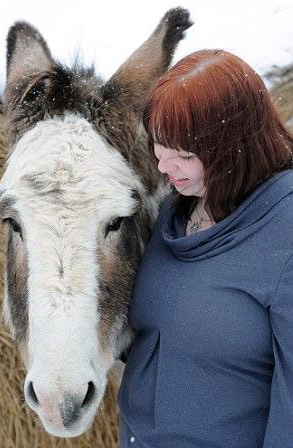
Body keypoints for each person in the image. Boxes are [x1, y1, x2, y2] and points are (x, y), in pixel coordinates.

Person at [118, 49, 293, 448]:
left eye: (184, 154)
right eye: (159, 146)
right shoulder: (175, 204)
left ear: (235, 146)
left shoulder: (285, 230)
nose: (164, 166)